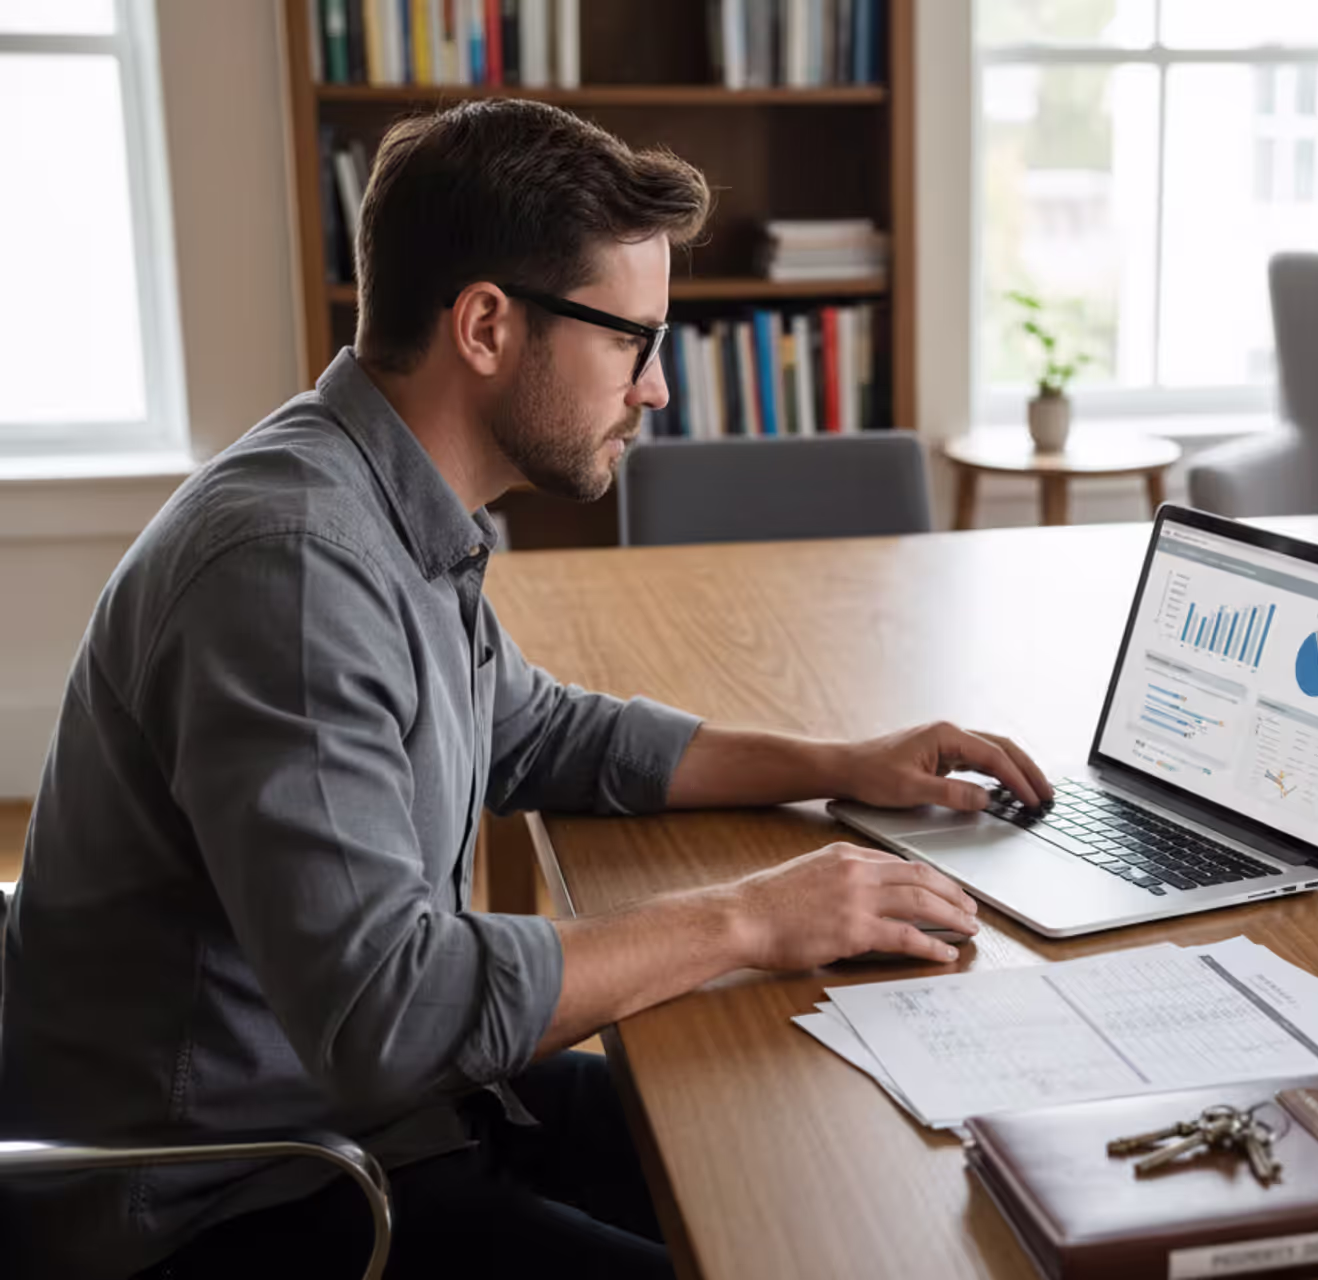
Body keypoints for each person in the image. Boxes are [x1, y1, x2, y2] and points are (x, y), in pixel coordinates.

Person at [0, 100, 1050, 1280]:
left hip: (365, 1110)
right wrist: (751, 916)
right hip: (231, 1191)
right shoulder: (290, 566)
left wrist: (837, 762)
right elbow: (390, 1017)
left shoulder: (379, 502)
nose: (655, 391)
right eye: (631, 341)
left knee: (806, 1176)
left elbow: (538, 730)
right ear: (488, 326)